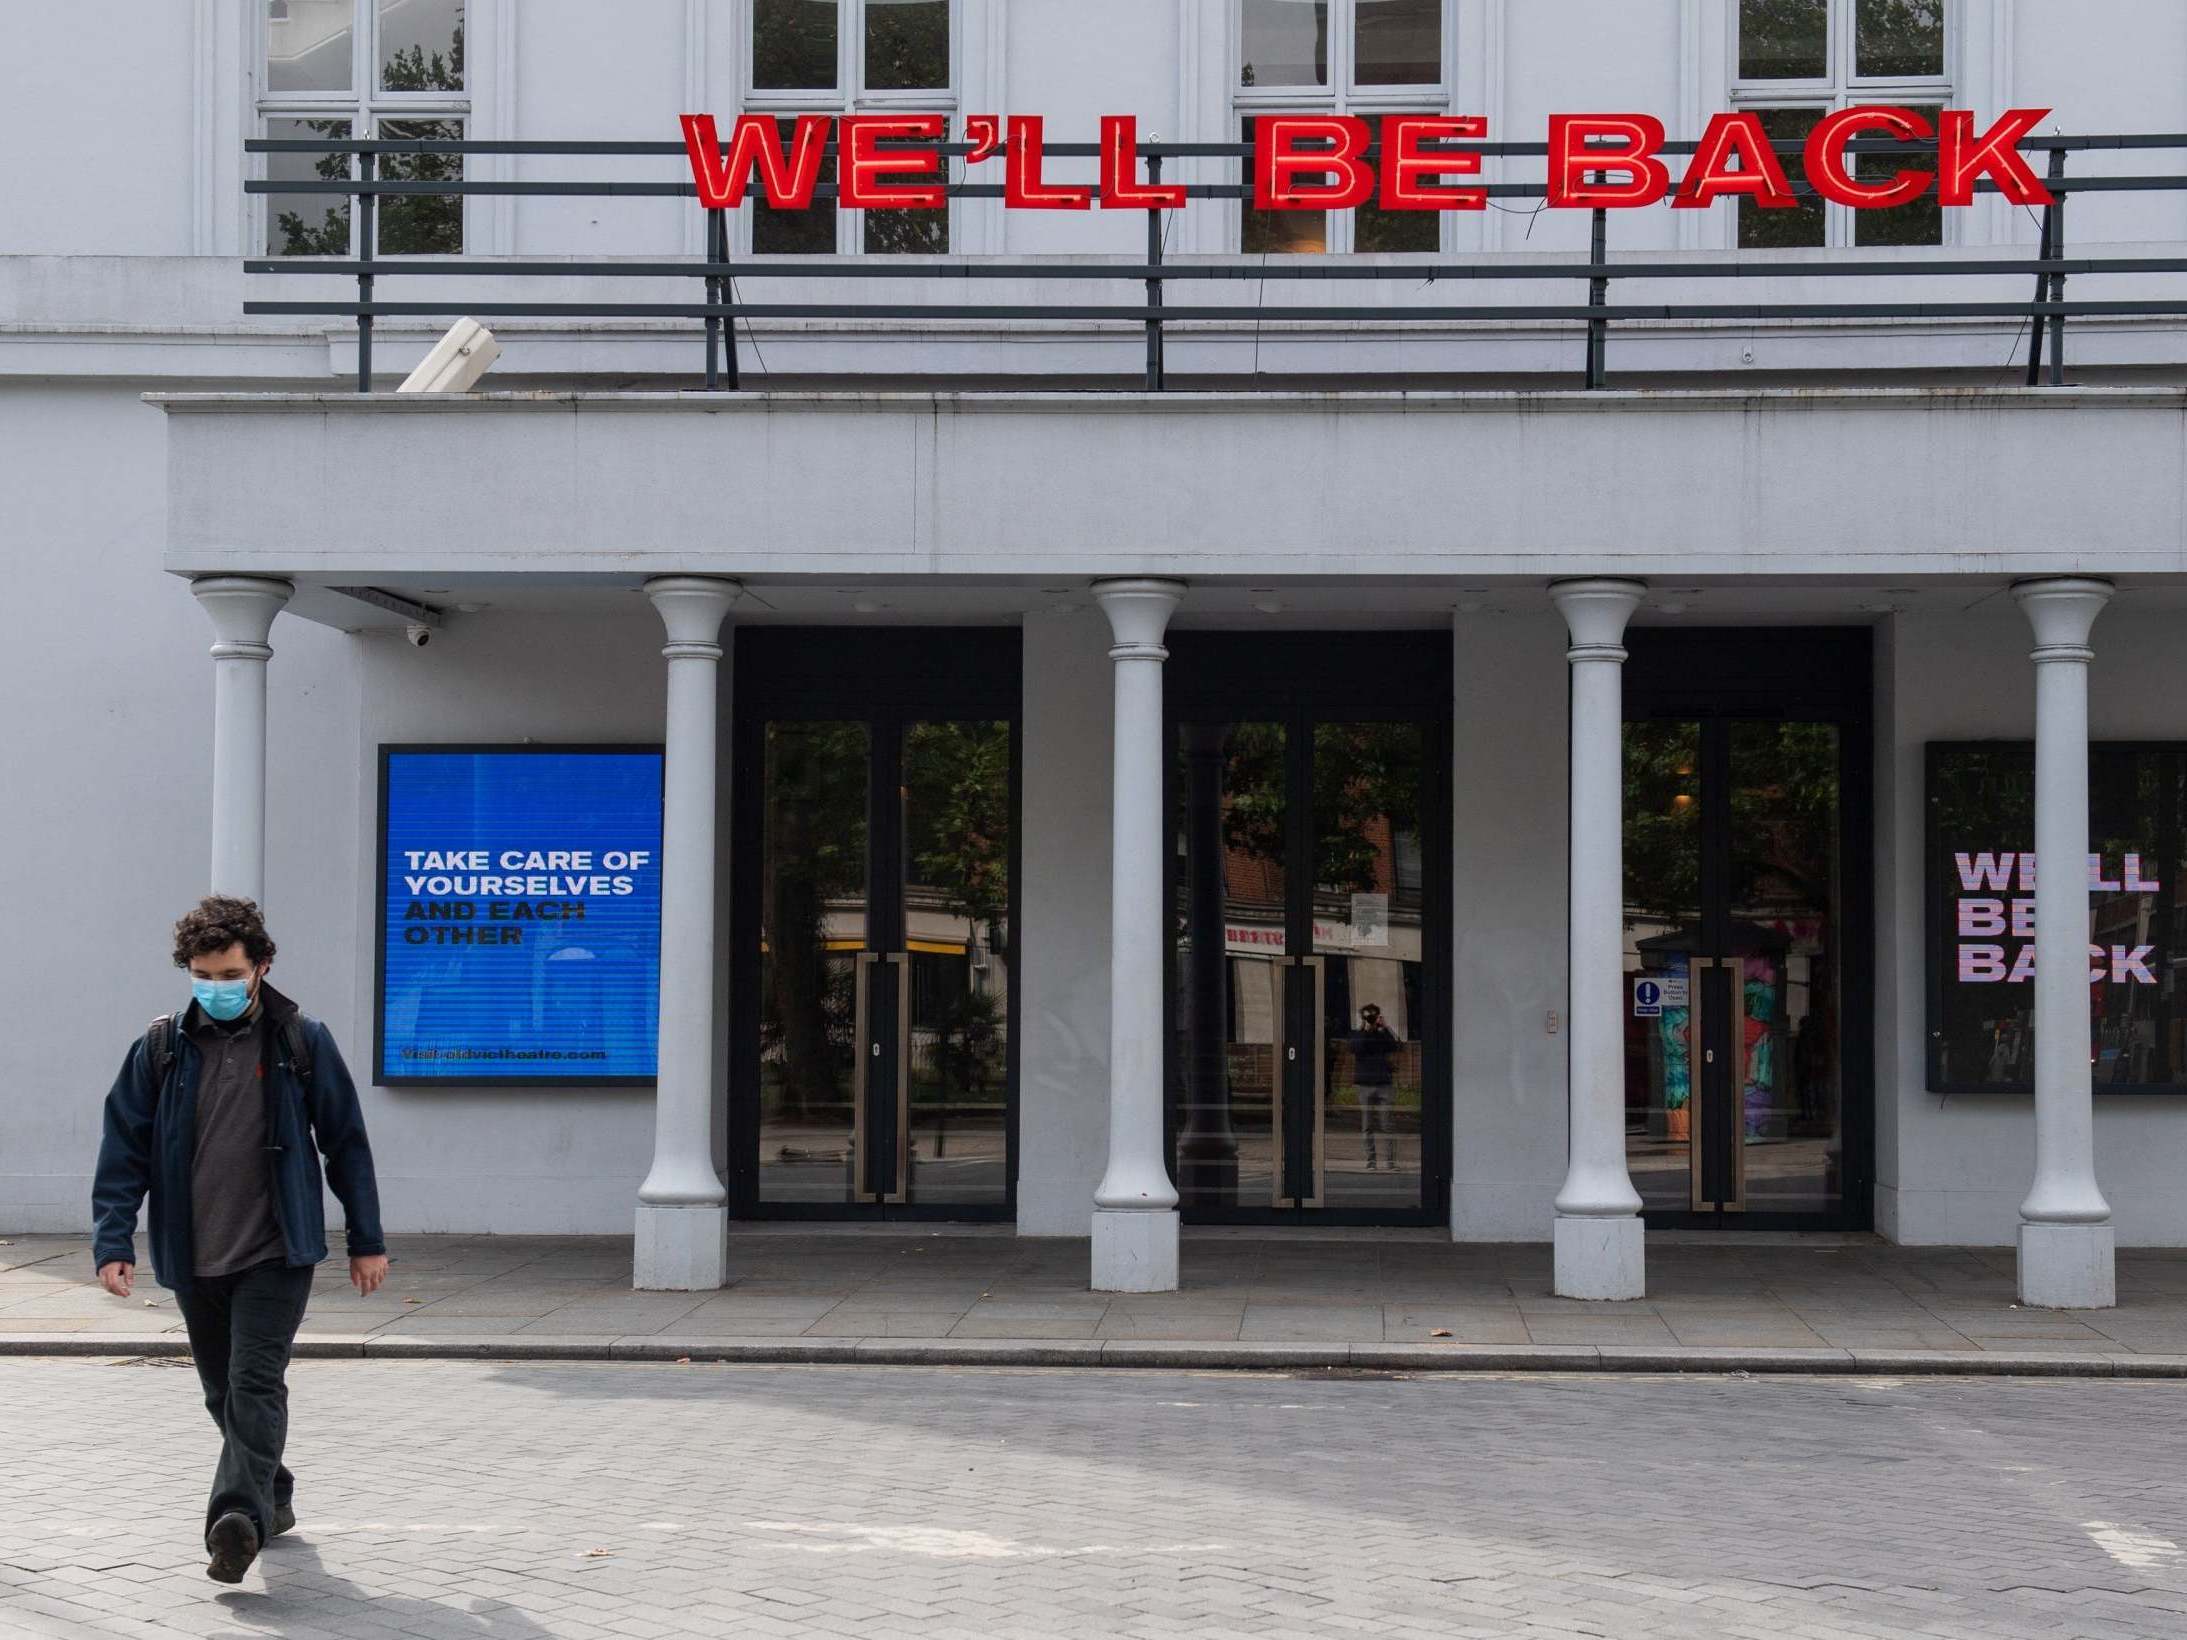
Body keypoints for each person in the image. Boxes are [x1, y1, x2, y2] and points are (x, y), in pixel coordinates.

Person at [91, 897, 388, 1585]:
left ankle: (236, 1521)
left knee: (254, 1383)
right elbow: (123, 1148)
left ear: (260, 967)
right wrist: (114, 1241)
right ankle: (272, 1494)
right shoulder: (161, 1047)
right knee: (221, 1393)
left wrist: (365, 1240)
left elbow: (346, 1145)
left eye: (228, 973)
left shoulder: (300, 1041)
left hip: (276, 1250)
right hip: (192, 1252)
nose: (215, 987)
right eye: (202, 974)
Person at [1349, 1003, 1401, 1172]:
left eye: (1374, 1016)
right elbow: (1357, 1047)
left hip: (1384, 1084)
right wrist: (1365, 1027)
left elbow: (1397, 1046)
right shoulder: (1358, 1035)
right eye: (1369, 1017)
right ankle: (1371, 1161)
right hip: (1364, 1085)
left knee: (1387, 1124)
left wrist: (1385, 1027)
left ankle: (1390, 1162)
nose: (1372, 1020)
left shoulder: (1382, 1035)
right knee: (1367, 1125)